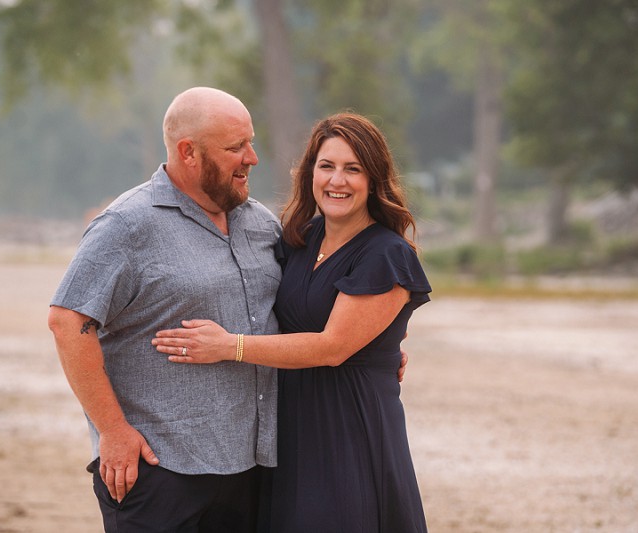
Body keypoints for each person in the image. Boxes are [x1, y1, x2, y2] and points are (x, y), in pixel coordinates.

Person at [153, 112, 431, 532]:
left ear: (373, 180)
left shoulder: (386, 253)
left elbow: (332, 346)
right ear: (311, 174)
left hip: (349, 426)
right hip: (290, 425)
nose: (337, 181)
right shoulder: (300, 238)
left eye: (353, 169)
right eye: (327, 166)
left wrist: (231, 346)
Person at [47, 87, 282, 532]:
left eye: (251, 142)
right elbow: (68, 321)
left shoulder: (261, 223)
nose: (252, 157)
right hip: (158, 468)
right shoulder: (127, 224)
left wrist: (372, 351)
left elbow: (299, 307)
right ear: (188, 152)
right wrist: (112, 432)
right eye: (236, 147)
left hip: (252, 469)